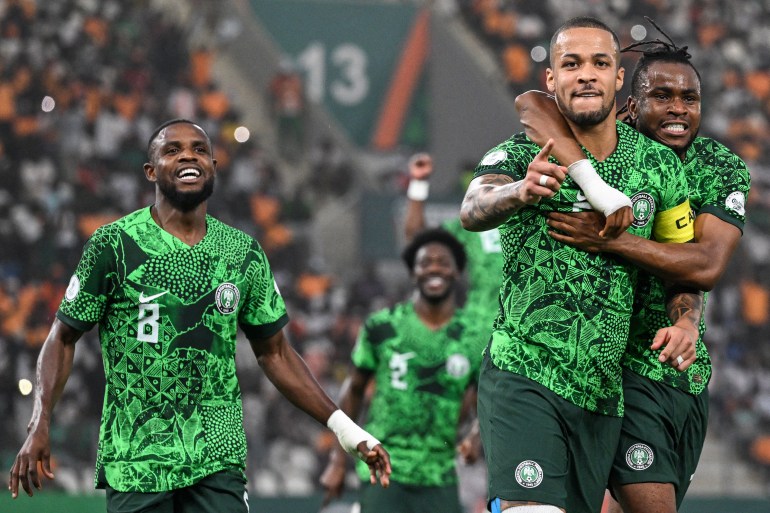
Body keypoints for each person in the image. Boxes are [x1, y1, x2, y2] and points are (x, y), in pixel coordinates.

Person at [7, 119, 391, 511]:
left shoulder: (243, 253)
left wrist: (345, 429)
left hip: (217, 457)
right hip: (139, 457)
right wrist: (40, 422)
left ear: (213, 166)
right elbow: (62, 337)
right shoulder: (114, 245)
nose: (188, 155)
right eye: (172, 150)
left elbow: (275, 353)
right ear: (151, 171)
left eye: (199, 149)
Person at [459, 16, 700, 513]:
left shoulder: (661, 167)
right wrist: (518, 191)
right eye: (571, 64)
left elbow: (682, 268)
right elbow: (472, 207)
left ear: (618, 78)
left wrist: (687, 321)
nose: (585, 74)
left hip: (602, 395)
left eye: (600, 63)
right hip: (523, 373)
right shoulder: (521, 152)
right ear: (553, 80)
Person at [515, 20, 751, 513]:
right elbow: (531, 103)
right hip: (608, 370)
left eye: (690, 99)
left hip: (674, 371)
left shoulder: (718, 166)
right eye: (662, 96)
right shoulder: (604, 146)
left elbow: (703, 266)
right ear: (630, 103)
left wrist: (617, 246)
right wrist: (591, 183)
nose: (678, 110)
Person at [320, 227, 481, 513]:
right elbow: (354, 391)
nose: (434, 268)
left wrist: (476, 434)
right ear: (412, 273)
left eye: (443, 263)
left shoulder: (474, 336)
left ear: (457, 272)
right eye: (425, 263)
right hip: (383, 467)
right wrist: (338, 460)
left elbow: (489, 398)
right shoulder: (383, 326)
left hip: (439, 474)